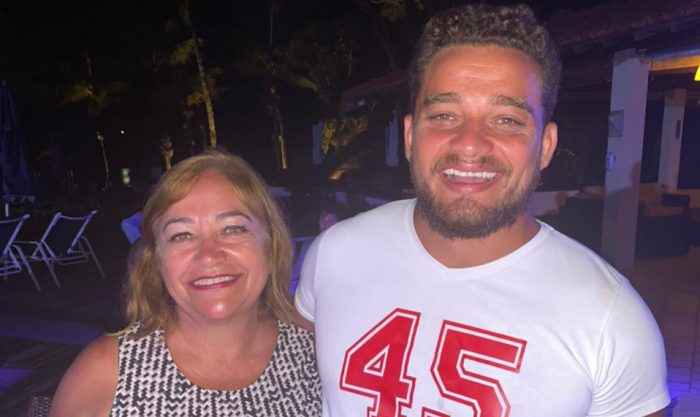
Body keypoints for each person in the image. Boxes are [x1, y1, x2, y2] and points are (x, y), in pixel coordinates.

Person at [294, 4, 669, 417]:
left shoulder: (611, 322)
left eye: (506, 120)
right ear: (410, 136)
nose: (470, 143)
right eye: (444, 115)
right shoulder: (334, 254)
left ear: (545, 146)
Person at [51, 151, 321, 417]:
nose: (208, 255)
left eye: (232, 229)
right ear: (156, 260)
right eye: (181, 235)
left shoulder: (318, 357)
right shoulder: (106, 372)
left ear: (270, 245)